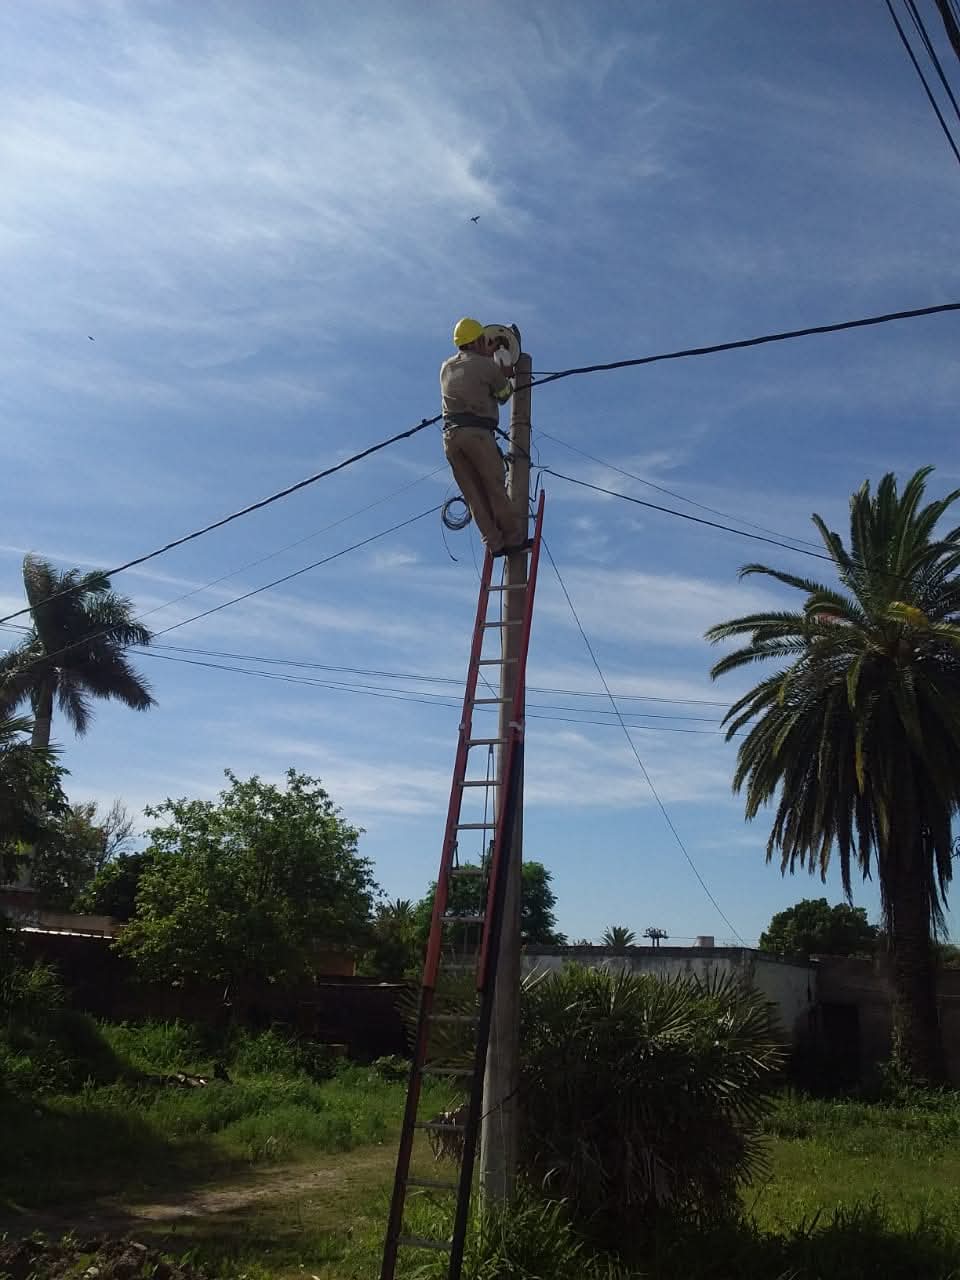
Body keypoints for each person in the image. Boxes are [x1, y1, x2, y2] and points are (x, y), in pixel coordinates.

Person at [440, 317, 530, 556]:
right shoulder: (487, 367)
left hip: (451, 439)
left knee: (474, 494)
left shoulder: (446, 367)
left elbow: (469, 376)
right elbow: (503, 394)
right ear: (479, 340)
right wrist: (505, 372)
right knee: (494, 488)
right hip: (477, 436)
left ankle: (494, 543)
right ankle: (513, 539)